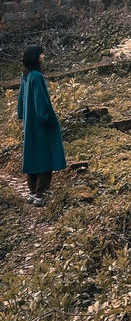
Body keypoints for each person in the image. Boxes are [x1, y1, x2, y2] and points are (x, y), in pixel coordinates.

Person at [17, 45, 66, 206]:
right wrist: (48, 119)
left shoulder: (26, 75)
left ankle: (32, 192)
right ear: (35, 57)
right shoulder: (37, 76)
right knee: (46, 156)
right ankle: (41, 194)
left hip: (30, 123)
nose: (43, 57)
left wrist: (22, 116)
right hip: (41, 124)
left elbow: (21, 101)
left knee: (32, 156)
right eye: (41, 54)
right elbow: (41, 103)